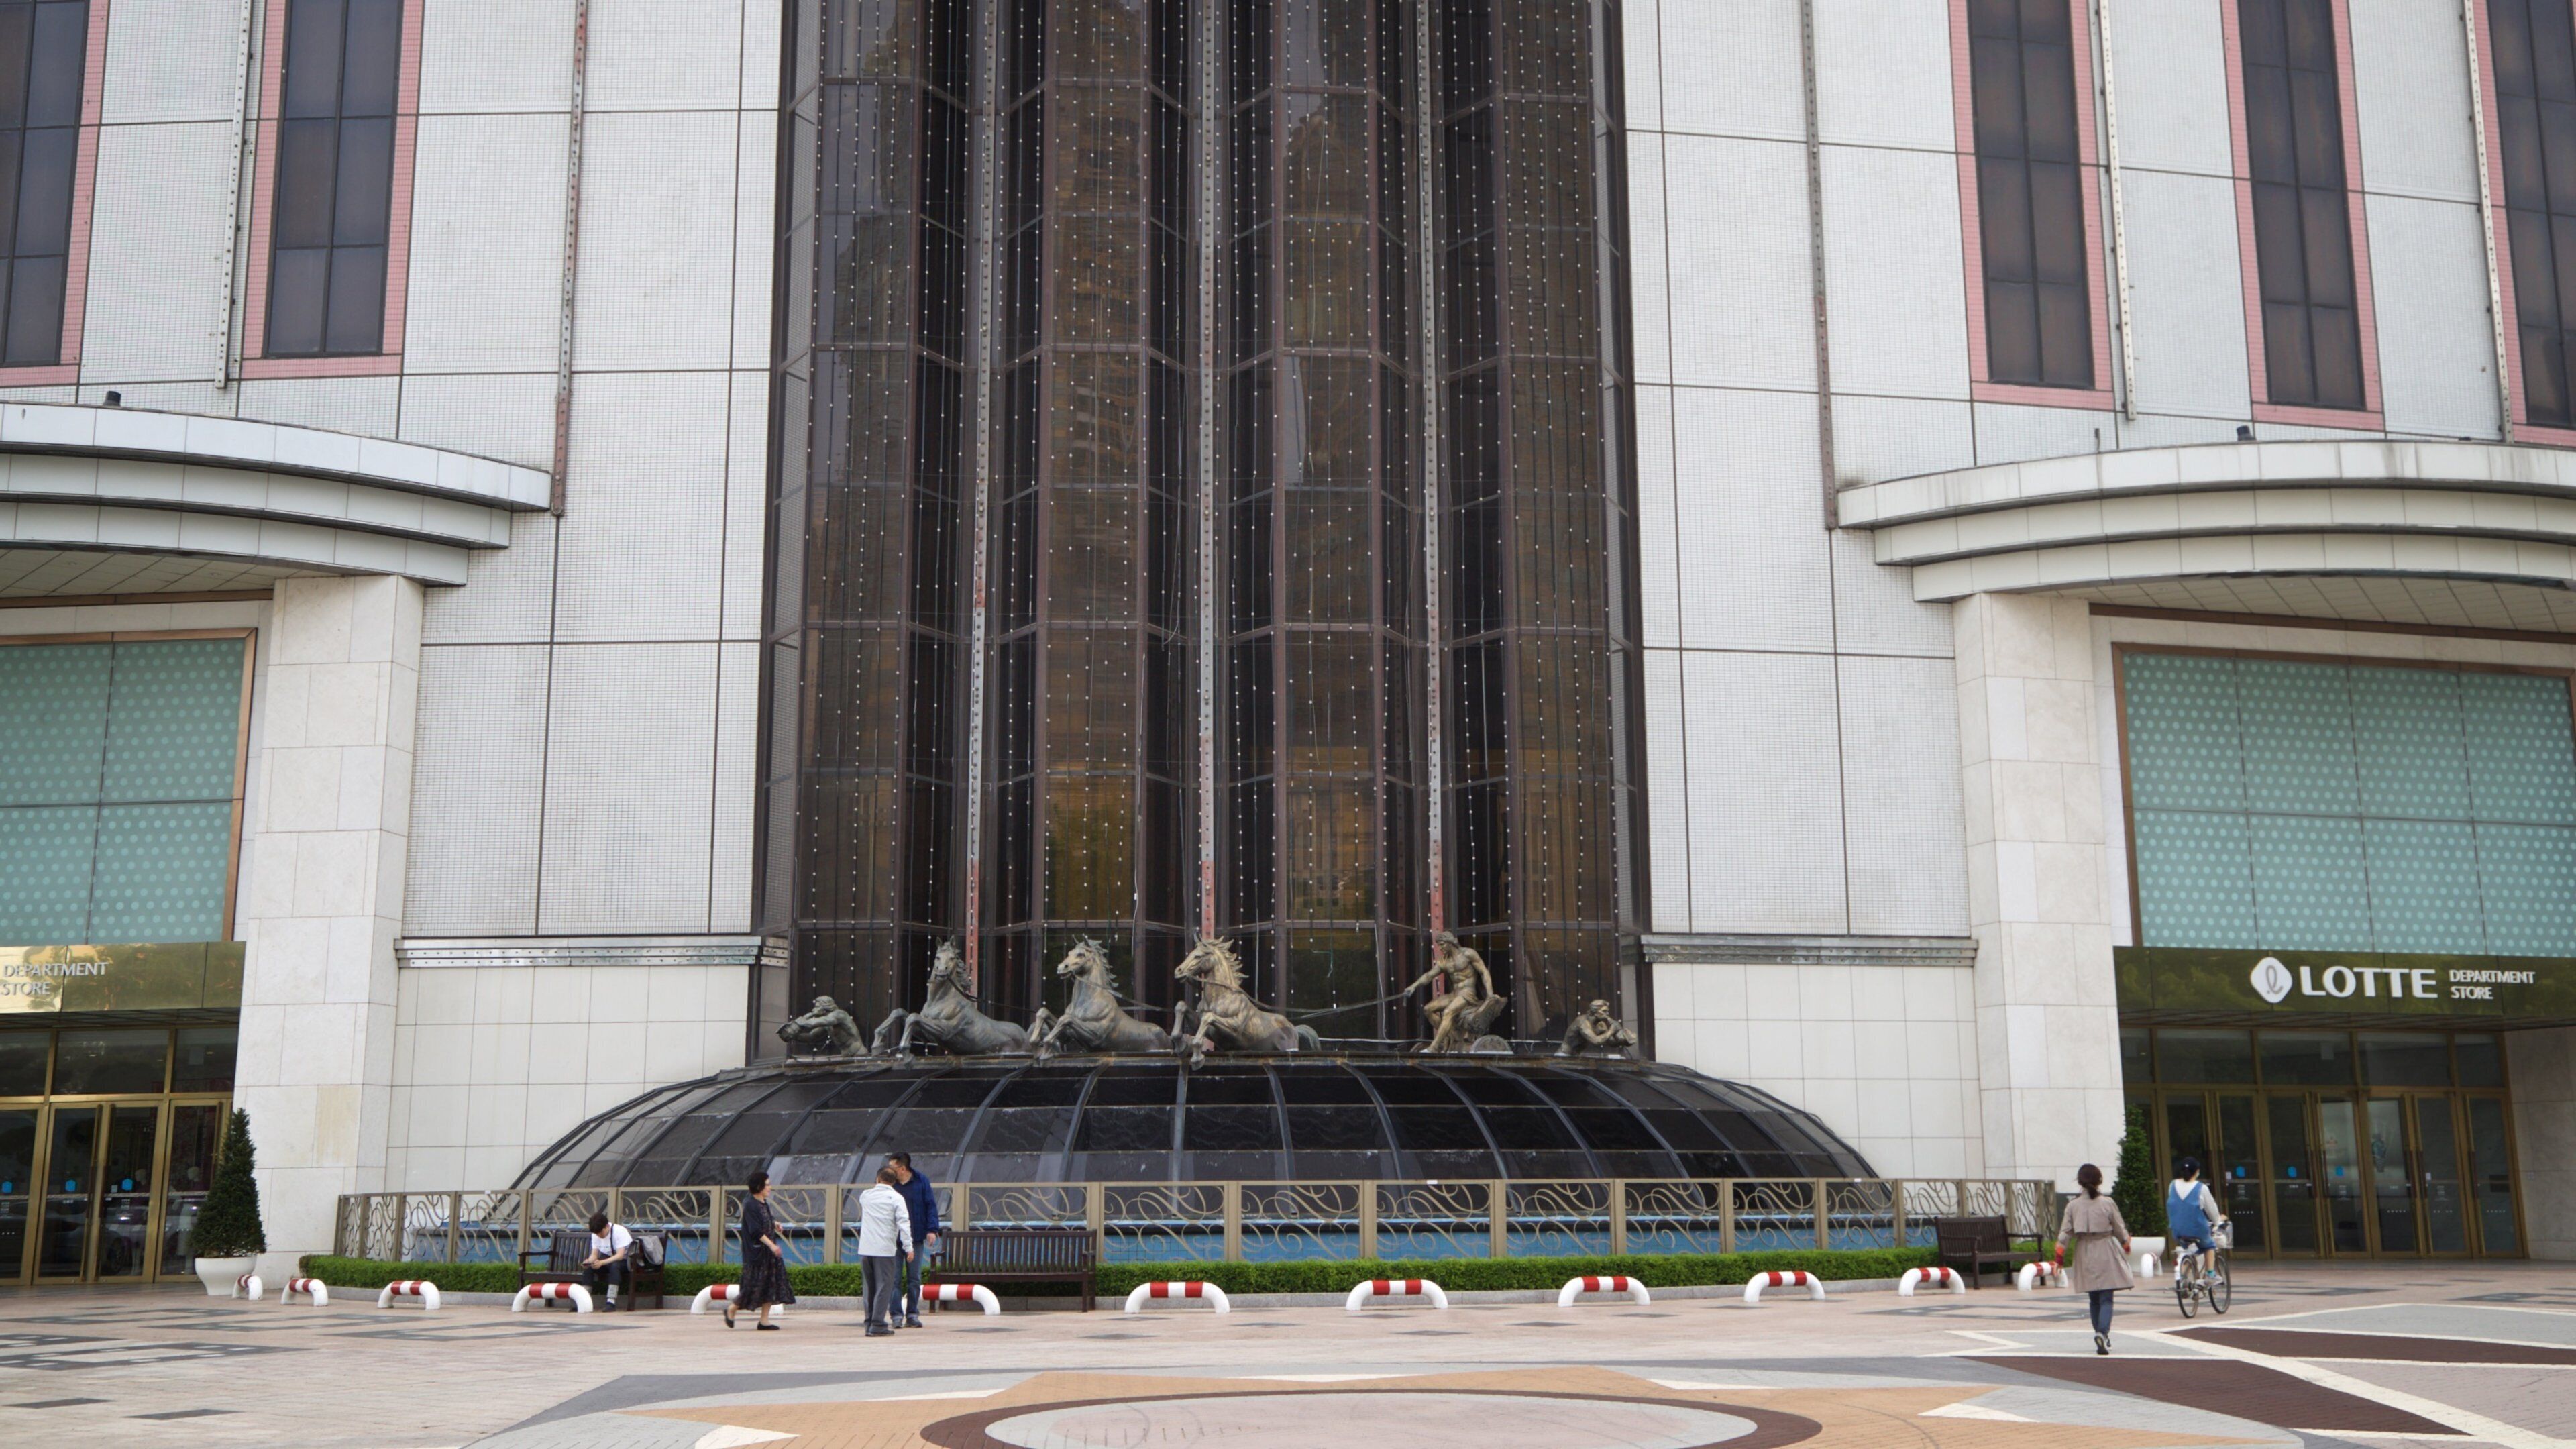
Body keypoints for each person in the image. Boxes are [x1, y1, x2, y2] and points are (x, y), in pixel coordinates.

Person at [2055, 1161, 2135, 1356]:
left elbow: (2065, 1233)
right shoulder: (2108, 1203)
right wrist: (2126, 1243)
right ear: (2100, 1180)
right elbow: (2119, 1228)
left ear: (2080, 1182)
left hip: (2084, 1250)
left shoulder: (2072, 1206)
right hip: (2105, 1248)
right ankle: (2103, 1333)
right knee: (2107, 1298)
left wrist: (2059, 1258)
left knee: (2094, 1299)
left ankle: (2100, 1335)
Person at [855, 1165, 914, 1337]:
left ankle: (869, 1323)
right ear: (894, 1182)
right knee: (884, 1287)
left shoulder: (865, 1196)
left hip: (866, 1249)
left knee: (870, 1288)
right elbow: (904, 1224)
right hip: (885, 1250)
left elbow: (869, 1196)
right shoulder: (896, 1198)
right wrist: (908, 1247)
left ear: (878, 1179)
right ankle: (878, 1324)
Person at [732, 1170, 795, 1330]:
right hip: (758, 1253)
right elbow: (756, 1231)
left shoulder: (763, 1203)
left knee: (771, 1284)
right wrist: (772, 1245)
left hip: (769, 1253)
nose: (770, 1188)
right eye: (767, 1185)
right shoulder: (750, 1205)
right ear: (759, 1187)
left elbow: (766, 1219)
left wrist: (775, 1224)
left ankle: (764, 1321)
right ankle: (731, 1310)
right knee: (753, 1286)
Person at [888, 1151, 941, 1327]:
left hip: (916, 1237)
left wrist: (932, 1229)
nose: (889, 1170)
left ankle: (912, 1315)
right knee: (894, 1279)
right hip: (894, 1239)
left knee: (914, 1278)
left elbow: (930, 1205)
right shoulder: (889, 1183)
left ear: (902, 1168)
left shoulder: (921, 1181)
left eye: (892, 1167)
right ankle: (896, 1315)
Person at [2165, 1156, 2227, 1283]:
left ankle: (2182, 1280)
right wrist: (2218, 1221)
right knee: (2209, 1246)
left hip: (2178, 1230)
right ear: (2197, 1172)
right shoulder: (2201, 1188)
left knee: (2188, 1250)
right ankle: (2210, 1274)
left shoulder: (2172, 1185)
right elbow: (2212, 1210)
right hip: (2198, 1229)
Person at [580, 1210, 634, 1311]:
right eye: (597, 1234)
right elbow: (594, 1255)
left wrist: (602, 1263)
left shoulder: (619, 1231)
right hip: (607, 1261)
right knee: (589, 1268)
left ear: (607, 1226)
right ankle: (583, 1301)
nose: (599, 1236)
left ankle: (611, 1302)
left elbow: (620, 1256)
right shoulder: (595, 1234)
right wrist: (588, 1262)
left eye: (601, 1233)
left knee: (615, 1266)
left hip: (625, 1262)